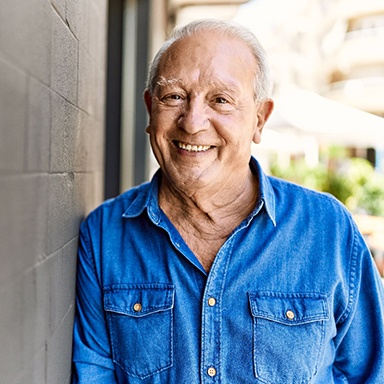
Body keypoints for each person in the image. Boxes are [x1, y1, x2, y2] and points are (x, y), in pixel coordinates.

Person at [72, 19, 384, 383]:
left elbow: (371, 373)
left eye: (220, 100)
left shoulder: (328, 230)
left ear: (259, 119)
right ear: (149, 109)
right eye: (174, 96)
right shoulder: (105, 236)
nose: (192, 122)